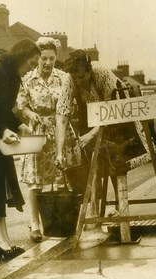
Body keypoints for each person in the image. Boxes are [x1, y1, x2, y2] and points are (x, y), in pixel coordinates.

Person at [55, 49, 150, 219]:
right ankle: (94, 212)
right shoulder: (69, 80)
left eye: (81, 77)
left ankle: (122, 208)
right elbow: (62, 116)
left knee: (116, 161)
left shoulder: (102, 74)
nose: (78, 81)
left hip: (118, 113)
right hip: (90, 114)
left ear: (89, 71)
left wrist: (92, 134)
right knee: (93, 163)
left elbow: (113, 110)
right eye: (75, 78)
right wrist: (60, 152)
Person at [16, 37, 81, 242]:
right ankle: (35, 225)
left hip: (61, 130)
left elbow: (73, 102)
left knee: (64, 178)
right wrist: (31, 114)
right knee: (35, 181)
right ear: (38, 58)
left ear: (56, 58)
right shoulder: (27, 79)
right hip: (38, 132)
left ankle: (63, 222)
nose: (47, 63)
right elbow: (21, 105)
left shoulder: (63, 78)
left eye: (51, 58)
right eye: (43, 58)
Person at [0, 39, 40, 260]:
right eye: (31, 63)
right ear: (21, 57)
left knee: (0, 190)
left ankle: (4, 241)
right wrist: (2, 130)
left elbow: (3, 110)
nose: (31, 68)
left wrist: (17, 125)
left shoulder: (12, 77)